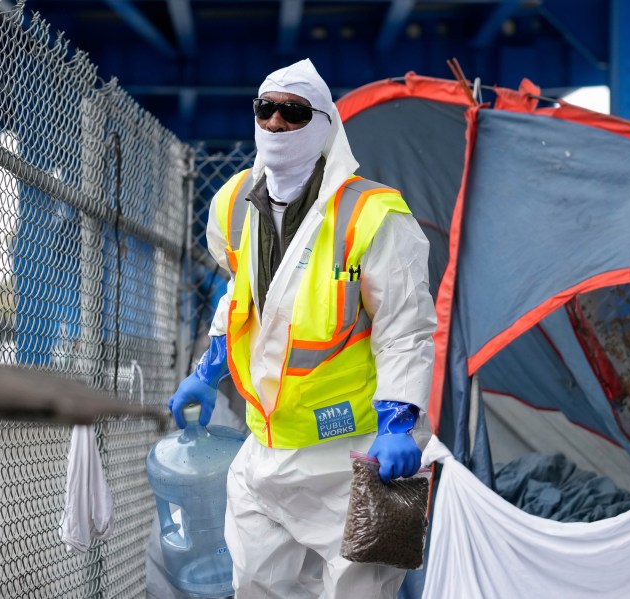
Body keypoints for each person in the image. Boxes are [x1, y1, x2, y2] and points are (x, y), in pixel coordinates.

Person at [168, 58, 436, 598]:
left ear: (324, 124)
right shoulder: (233, 205)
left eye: (293, 112)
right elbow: (242, 295)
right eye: (265, 110)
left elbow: (405, 329)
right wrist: (209, 367)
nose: (275, 124)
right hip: (265, 449)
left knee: (356, 591)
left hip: (353, 456)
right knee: (257, 587)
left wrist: (399, 422)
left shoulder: (374, 215)